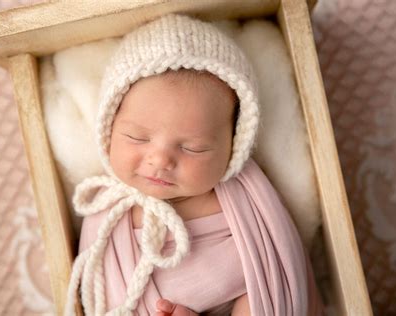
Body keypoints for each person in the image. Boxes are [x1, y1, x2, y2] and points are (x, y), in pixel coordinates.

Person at [65, 14, 322, 316]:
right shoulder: (105, 217)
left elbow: (278, 283)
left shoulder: (252, 209)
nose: (160, 159)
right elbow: (102, 298)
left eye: (193, 147)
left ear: (234, 147)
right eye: (136, 137)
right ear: (109, 130)